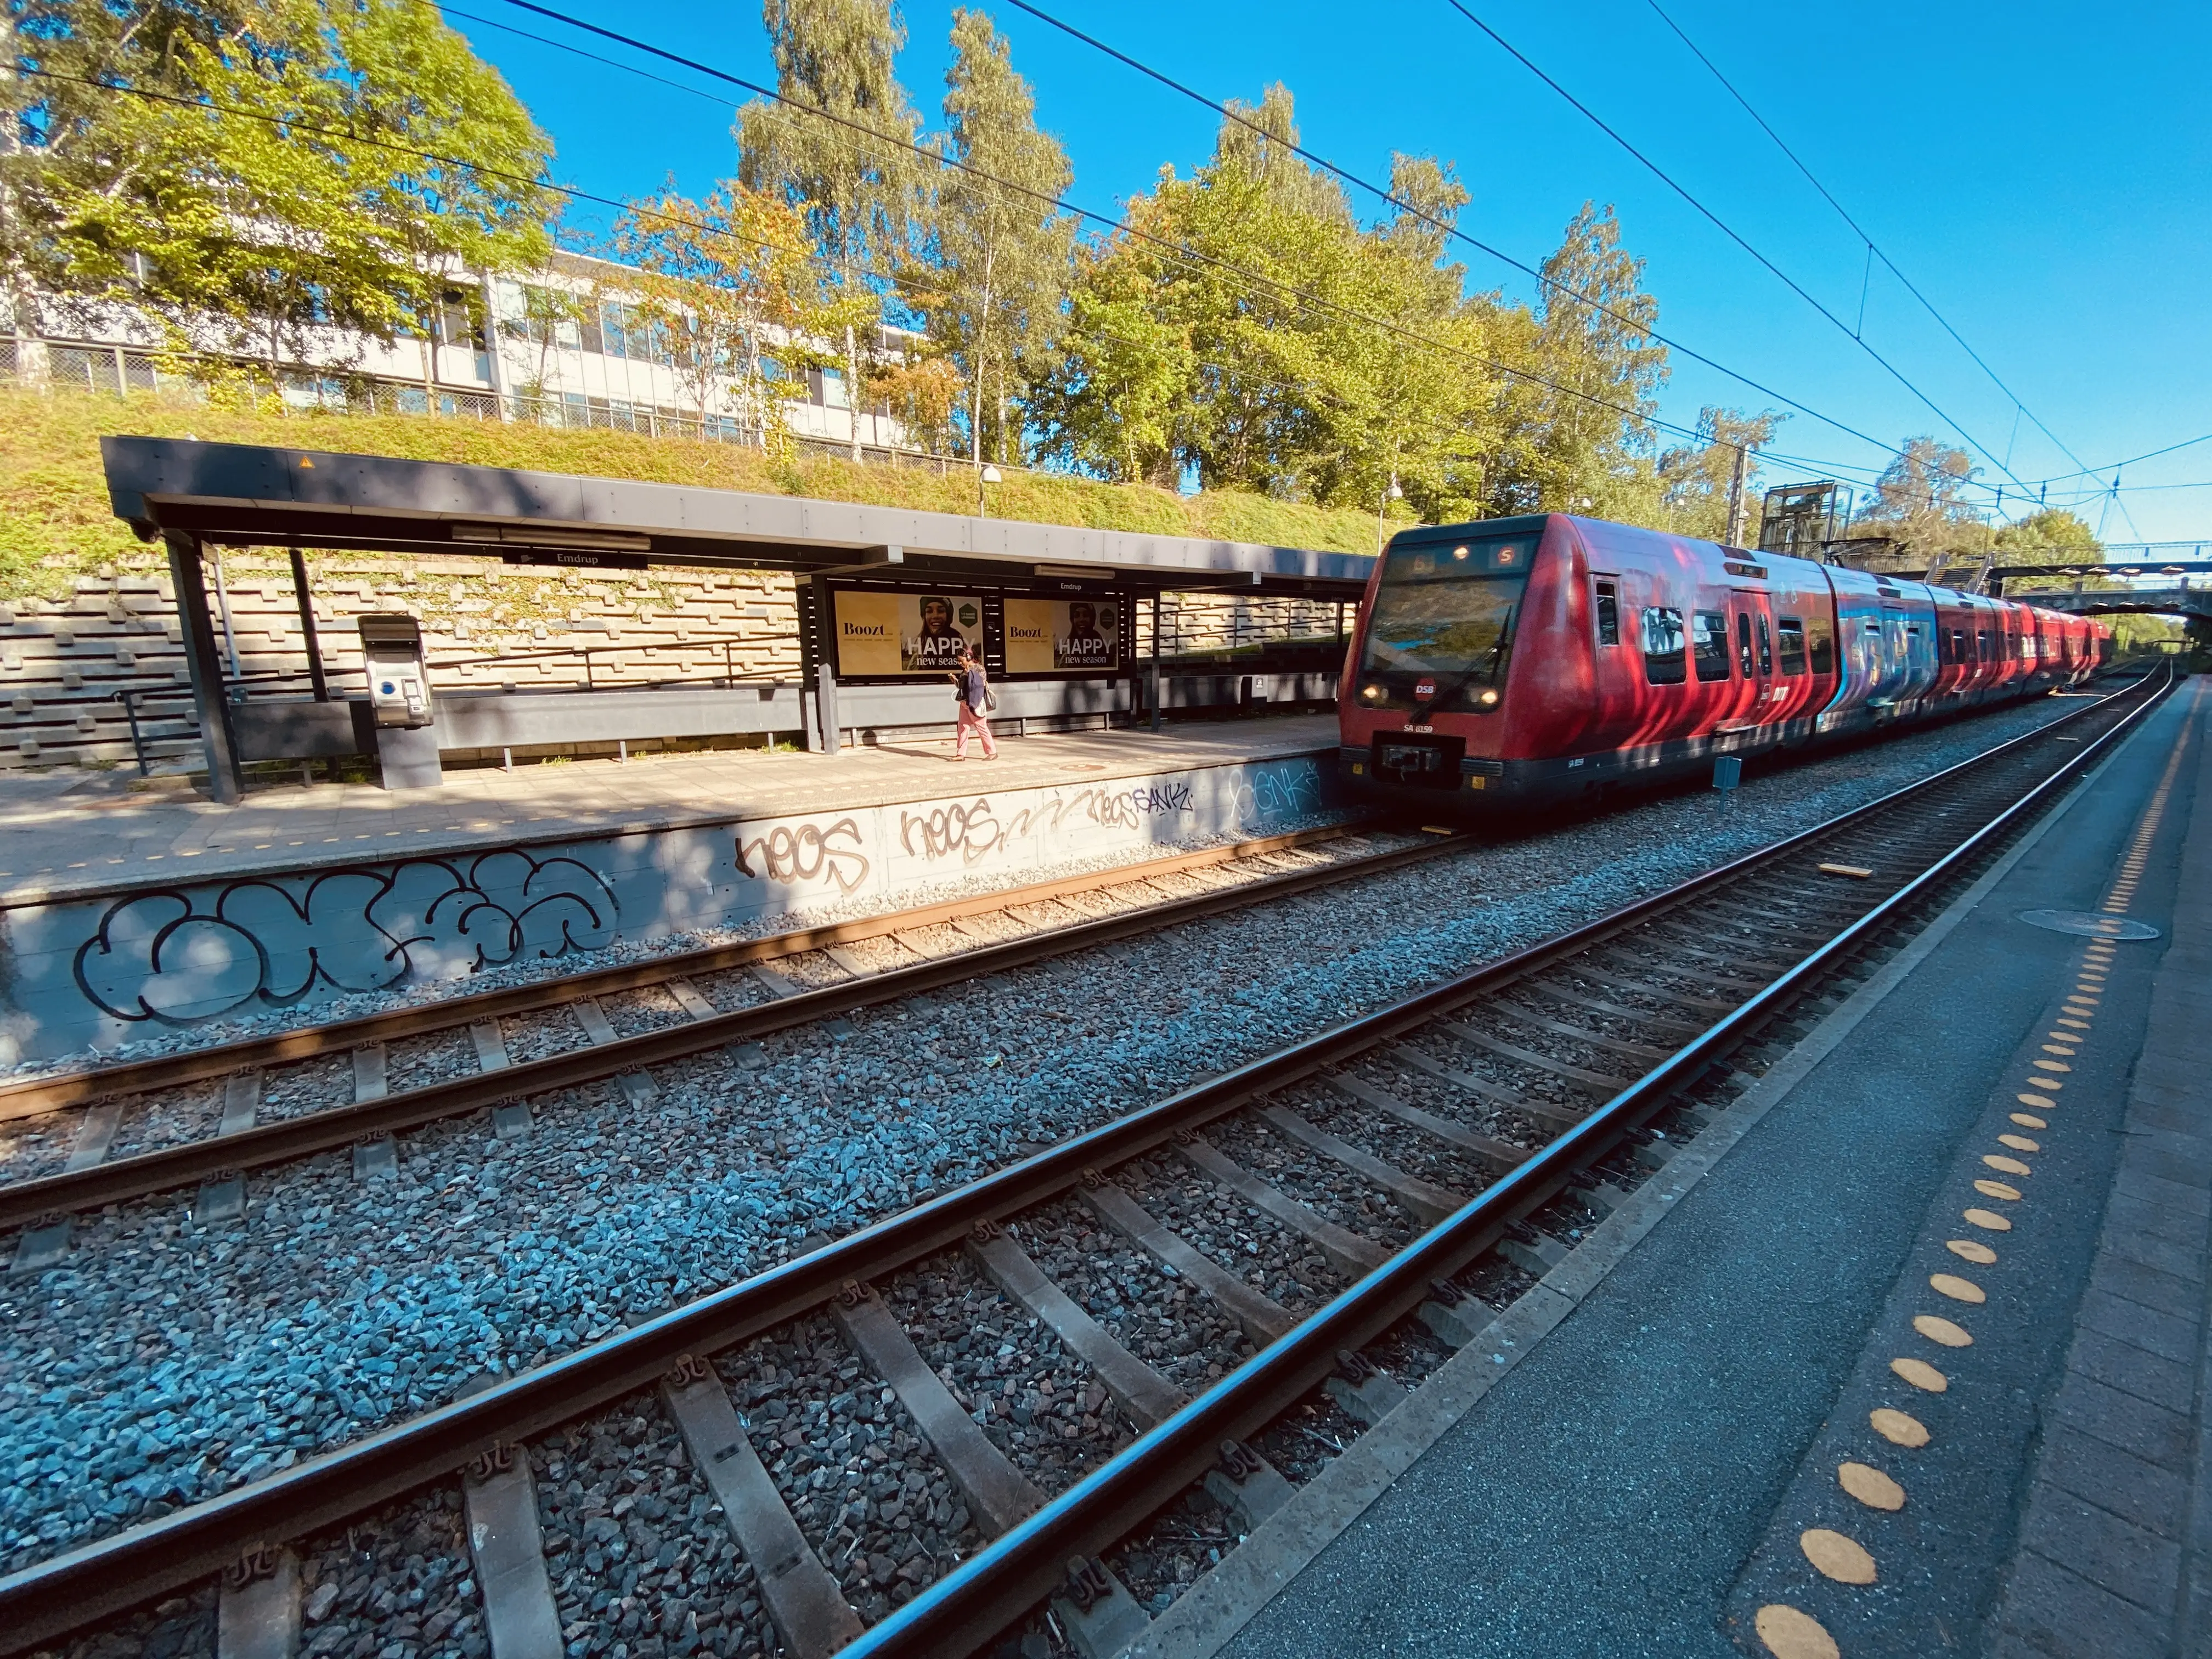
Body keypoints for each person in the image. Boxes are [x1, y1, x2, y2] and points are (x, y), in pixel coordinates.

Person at [950, 644, 998, 760]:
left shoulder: (978, 668)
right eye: (958, 661)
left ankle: (992, 752)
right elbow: (962, 687)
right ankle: (960, 754)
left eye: (961, 661)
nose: (959, 663)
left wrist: (968, 673)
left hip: (975, 703)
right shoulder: (965, 670)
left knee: (981, 727)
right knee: (963, 727)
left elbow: (978, 686)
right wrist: (955, 681)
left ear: (968, 658)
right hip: (965, 703)